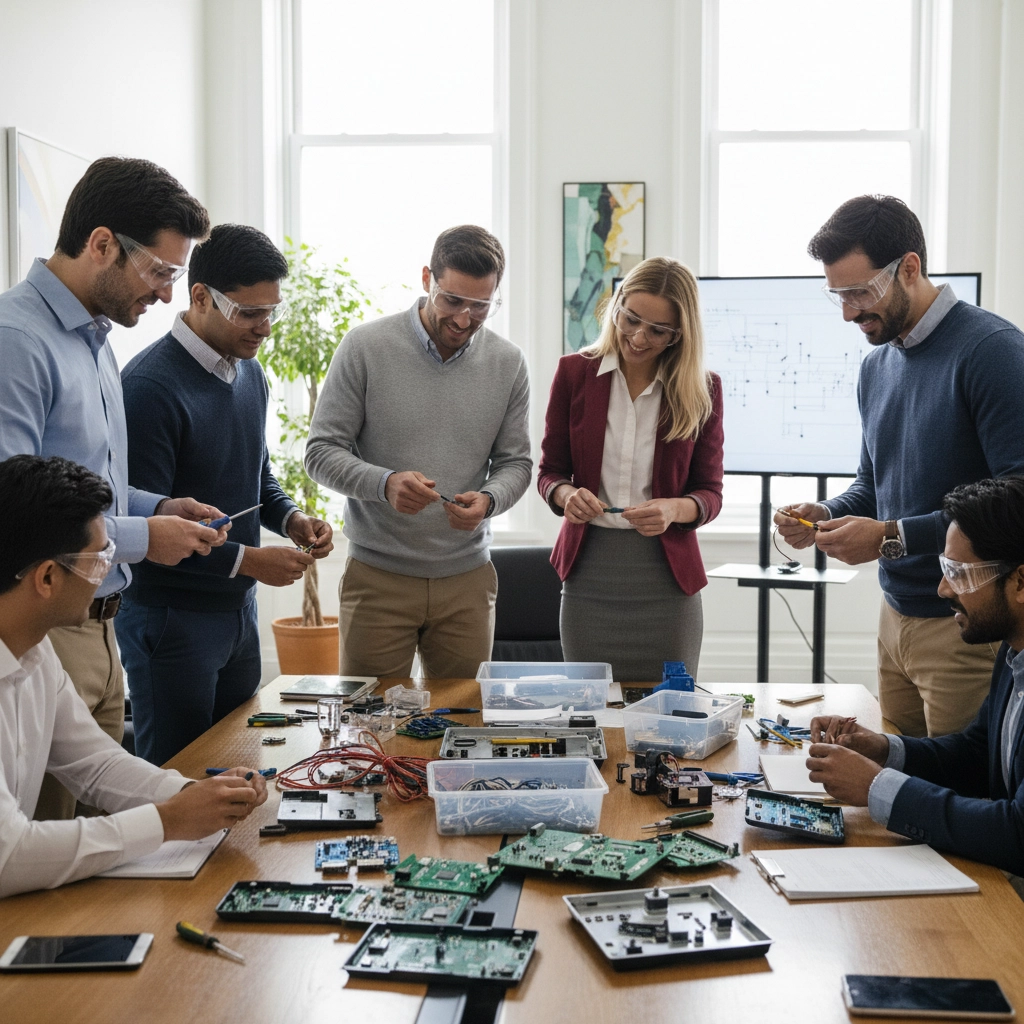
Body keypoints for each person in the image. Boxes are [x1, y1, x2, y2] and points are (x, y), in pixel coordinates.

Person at [0, 156, 229, 818]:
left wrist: (155, 507)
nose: (164, 294)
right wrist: (141, 537)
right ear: (102, 245)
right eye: (158, 271)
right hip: (42, 628)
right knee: (40, 859)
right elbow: (13, 506)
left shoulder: (99, 341)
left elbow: (85, 488)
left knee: (95, 844)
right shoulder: (16, 339)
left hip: (100, 625)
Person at [775, 195, 1024, 737]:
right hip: (895, 619)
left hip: (966, 626)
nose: (848, 312)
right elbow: (873, 485)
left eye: (860, 292)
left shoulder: (993, 351)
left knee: (957, 799)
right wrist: (825, 513)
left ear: (909, 268)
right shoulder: (876, 366)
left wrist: (890, 539)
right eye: (837, 295)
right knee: (900, 795)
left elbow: (1018, 496)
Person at [0, 454, 268, 899]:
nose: (109, 572)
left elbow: (96, 764)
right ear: (47, 577)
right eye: (100, 557)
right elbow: (8, 853)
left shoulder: (36, 649)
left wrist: (197, 794)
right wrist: (168, 822)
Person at [119, 225, 334, 765]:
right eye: (249, 312)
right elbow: (146, 531)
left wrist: (291, 519)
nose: (264, 327)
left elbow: (256, 473)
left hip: (236, 613)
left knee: (240, 767)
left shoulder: (249, 373)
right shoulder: (148, 387)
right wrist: (249, 561)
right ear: (199, 297)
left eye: (272, 312)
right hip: (171, 619)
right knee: (179, 777)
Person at [305, 225, 531, 678]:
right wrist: (384, 484)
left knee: (463, 725)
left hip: (467, 579)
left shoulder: (508, 363)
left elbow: (516, 463)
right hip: (378, 579)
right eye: (452, 300)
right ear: (428, 278)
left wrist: (489, 501)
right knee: (371, 729)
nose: (465, 319)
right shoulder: (365, 347)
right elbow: (320, 452)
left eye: (481, 306)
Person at [806, 477, 1024, 882]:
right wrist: (882, 750)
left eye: (959, 573)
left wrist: (877, 787)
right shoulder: (1014, 654)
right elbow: (978, 753)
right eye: (945, 569)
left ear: (1020, 582)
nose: (943, 589)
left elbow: (1017, 832)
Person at [537, 257, 724, 682]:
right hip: (590, 575)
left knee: (669, 717)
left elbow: (710, 492)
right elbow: (550, 472)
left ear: (681, 335)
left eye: (658, 331)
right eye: (631, 319)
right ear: (616, 305)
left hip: (667, 582)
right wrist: (566, 496)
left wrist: (674, 510)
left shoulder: (703, 388)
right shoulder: (573, 373)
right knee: (591, 714)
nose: (638, 337)